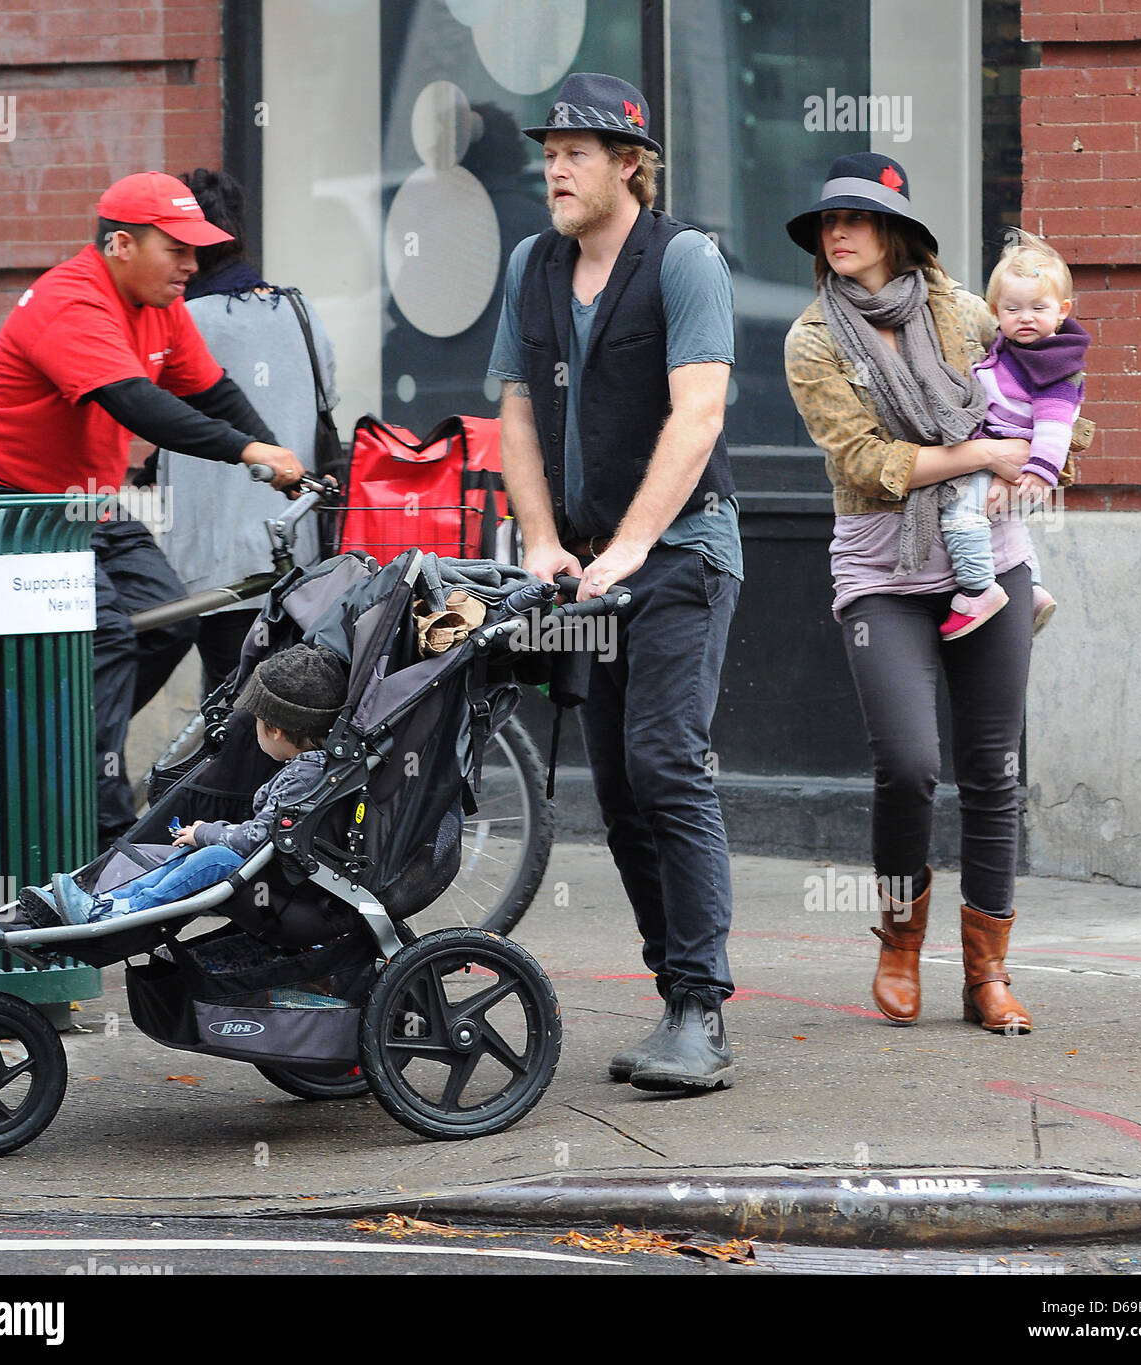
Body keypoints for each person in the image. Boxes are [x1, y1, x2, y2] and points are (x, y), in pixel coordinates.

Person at [783, 152, 1080, 1035]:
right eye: (830, 221)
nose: (840, 233)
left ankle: (987, 973)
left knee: (993, 771)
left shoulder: (964, 312)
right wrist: (983, 454)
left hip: (988, 563)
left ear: (897, 232)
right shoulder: (811, 339)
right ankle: (900, 940)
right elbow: (870, 467)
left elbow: (1051, 367)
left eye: (859, 219)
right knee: (909, 764)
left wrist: (1043, 455)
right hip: (882, 571)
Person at [488, 73, 742, 1091]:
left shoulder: (683, 262)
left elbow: (699, 417)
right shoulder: (531, 267)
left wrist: (633, 545)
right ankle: (671, 990)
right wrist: (541, 540)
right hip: (583, 567)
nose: (555, 167)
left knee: (666, 762)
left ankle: (699, 1010)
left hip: (682, 553)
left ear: (628, 163)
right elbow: (513, 409)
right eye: (548, 151)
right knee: (622, 790)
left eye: (577, 152)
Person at [0, 172, 306, 849]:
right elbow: (138, 404)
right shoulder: (73, 302)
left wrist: (277, 456)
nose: (193, 265)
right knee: (104, 631)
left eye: (198, 252)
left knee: (167, 619)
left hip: (80, 502)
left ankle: (56, 745)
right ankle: (98, 818)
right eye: (179, 250)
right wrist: (249, 449)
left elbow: (211, 392)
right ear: (122, 244)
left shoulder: (160, 305)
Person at [155, 168, 338, 697]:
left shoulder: (178, 321)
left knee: (229, 706)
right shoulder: (302, 313)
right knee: (280, 712)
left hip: (214, 566)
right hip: (295, 555)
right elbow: (324, 405)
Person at [18, 644, 346, 926]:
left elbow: (258, 838)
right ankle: (104, 901)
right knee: (196, 851)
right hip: (277, 874)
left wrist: (205, 831)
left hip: (283, 884)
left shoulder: (303, 777)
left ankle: (118, 911)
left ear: (274, 729)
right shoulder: (313, 770)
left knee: (214, 856)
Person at [934, 229, 1089, 639]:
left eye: (1039, 308)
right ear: (995, 311)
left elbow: (1056, 426)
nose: (1026, 317)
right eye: (1014, 308)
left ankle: (978, 589)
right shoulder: (1010, 349)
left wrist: (1038, 471)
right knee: (1010, 526)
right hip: (1001, 454)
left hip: (1025, 468)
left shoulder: (1054, 365)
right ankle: (1033, 588)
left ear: (1062, 311)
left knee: (962, 514)